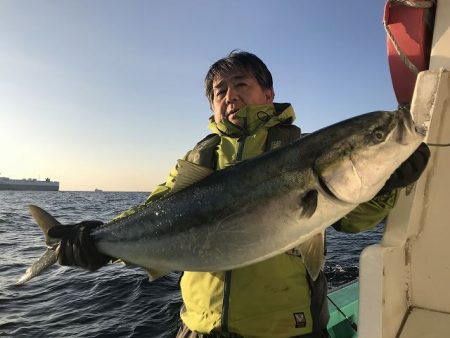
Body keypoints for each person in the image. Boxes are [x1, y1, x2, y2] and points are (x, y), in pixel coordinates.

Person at [49, 51, 430, 338]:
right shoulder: (198, 160)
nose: (229, 96)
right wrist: (98, 243)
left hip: (284, 330)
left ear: (268, 93)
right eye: (220, 90)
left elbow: (352, 219)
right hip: (198, 328)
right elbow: (154, 217)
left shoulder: (299, 149)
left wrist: (386, 187)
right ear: (212, 105)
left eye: (241, 84)